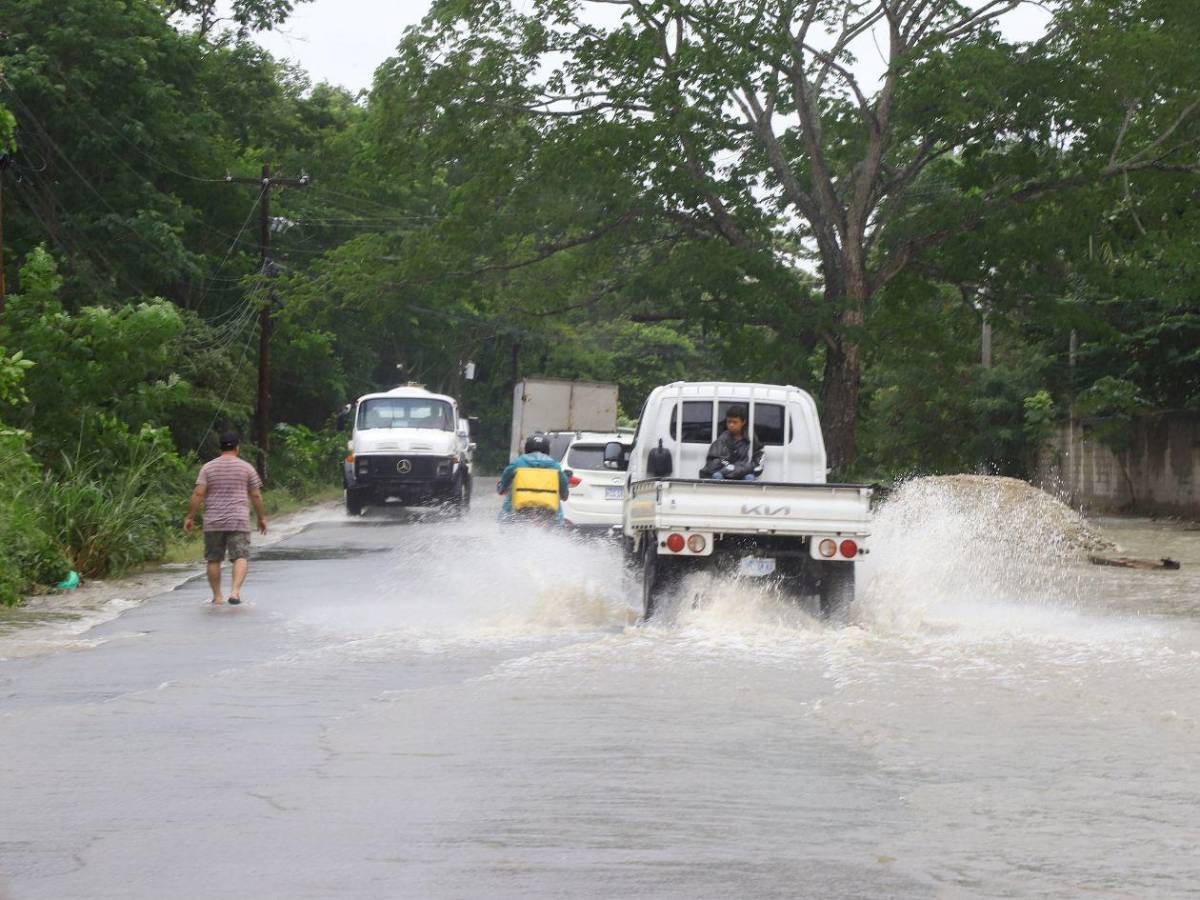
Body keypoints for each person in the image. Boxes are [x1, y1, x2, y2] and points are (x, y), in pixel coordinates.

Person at [184, 431, 268, 605]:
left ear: (220, 447)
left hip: (213, 521)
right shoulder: (246, 467)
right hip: (238, 520)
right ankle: (235, 592)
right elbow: (256, 496)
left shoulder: (208, 468)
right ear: (237, 448)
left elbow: (199, 493)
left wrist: (189, 517)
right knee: (240, 556)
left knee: (213, 559)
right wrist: (261, 518)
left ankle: (217, 596)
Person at [497, 433, 570, 523]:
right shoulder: (555, 466)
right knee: (558, 516)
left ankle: (504, 527)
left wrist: (501, 488)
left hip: (521, 508)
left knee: (507, 507)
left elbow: (504, 481)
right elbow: (564, 492)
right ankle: (558, 528)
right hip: (547, 512)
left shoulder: (518, 463)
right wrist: (564, 495)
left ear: (527, 448)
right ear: (547, 449)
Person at [699, 405, 763, 481]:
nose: (731, 425)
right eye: (729, 422)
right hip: (724, 473)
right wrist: (728, 465)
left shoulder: (751, 438)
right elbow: (716, 459)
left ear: (743, 422)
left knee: (750, 478)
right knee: (717, 476)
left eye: (735, 422)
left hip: (743, 473)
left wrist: (739, 468)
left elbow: (758, 460)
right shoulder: (722, 439)